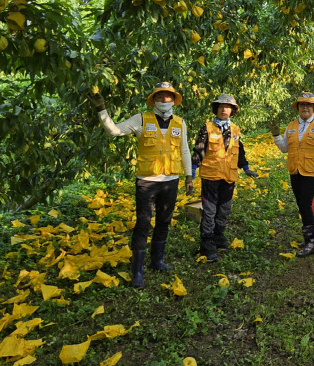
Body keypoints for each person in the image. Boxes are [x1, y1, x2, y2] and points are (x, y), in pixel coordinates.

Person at [87, 82, 193, 289]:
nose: (164, 100)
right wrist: (102, 110)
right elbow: (114, 131)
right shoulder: (140, 119)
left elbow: (185, 150)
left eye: (168, 96)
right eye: (160, 96)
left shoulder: (180, 123)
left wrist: (189, 177)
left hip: (171, 181)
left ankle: (157, 261)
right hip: (147, 182)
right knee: (143, 223)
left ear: (174, 100)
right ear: (153, 99)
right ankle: (137, 271)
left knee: (164, 221)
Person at [191, 94, 258, 262]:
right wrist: (192, 171)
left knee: (224, 209)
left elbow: (239, 150)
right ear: (216, 109)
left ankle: (219, 236)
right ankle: (207, 243)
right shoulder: (207, 127)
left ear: (232, 110)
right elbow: (199, 148)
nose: (224, 110)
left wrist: (246, 167)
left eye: (227, 107)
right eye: (221, 107)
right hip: (211, 176)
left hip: (229, 176)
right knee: (210, 211)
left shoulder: (235, 129)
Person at [270, 92, 314, 257]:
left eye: (309, 105)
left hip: (312, 171)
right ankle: (307, 238)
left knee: (305, 203)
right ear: (298, 107)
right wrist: (276, 135)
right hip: (295, 170)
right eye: (302, 104)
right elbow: (285, 148)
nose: (305, 107)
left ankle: (311, 242)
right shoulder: (291, 125)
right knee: (301, 204)